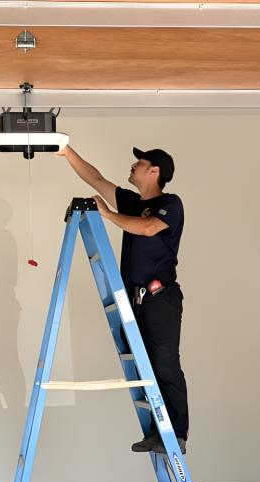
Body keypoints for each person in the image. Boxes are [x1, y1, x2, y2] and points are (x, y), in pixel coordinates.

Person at [57, 144, 188, 454]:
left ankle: (177, 434)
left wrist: (109, 214)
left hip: (161, 299)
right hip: (135, 301)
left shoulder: (170, 203)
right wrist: (67, 151)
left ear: (154, 171)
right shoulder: (132, 202)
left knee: (165, 364)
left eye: (139, 162)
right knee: (145, 367)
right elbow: (96, 178)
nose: (133, 165)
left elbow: (146, 229)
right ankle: (159, 432)